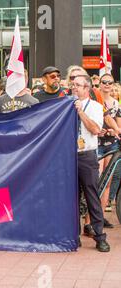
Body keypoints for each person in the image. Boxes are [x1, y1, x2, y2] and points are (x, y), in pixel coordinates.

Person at [72, 75, 110, 252]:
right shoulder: (66, 106)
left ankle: (100, 236)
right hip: (69, 156)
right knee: (71, 197)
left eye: (78, 85)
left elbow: (95, 129)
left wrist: (80, 112)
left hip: (87, 156)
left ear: (87, 88)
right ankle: (74, 235)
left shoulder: (95, 107)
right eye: (73, 84)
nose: (74, 88)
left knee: (91, 196)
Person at [97, 74, 120, 228]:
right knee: (97, 180)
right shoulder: (95, 100)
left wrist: (114, 131)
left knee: (108, 182)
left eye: (110, 83)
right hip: (96, 143)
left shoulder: (116, 104)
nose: (107, 85)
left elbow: (119, 126)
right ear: (99, 84)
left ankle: (102, 216)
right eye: (104, 82)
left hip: (111, 144)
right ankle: (92, 216)